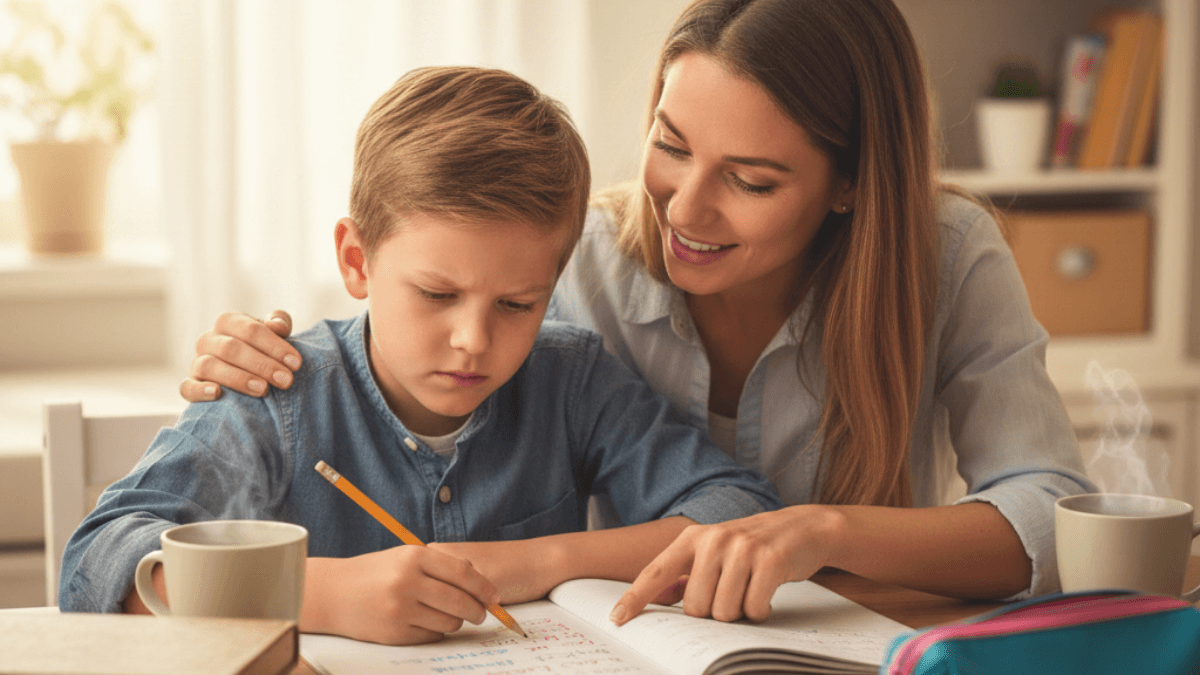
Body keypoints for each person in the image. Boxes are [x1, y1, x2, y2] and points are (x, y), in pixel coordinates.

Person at [179, 0, 1094, 626]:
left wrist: (826, 529)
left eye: (751, 180)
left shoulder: (946, 252)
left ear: (851, 183)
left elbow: (1055, 515)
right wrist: (267, 357)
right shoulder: (577, 260)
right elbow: (422, 294)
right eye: (671, 144)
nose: (685, 210)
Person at [58, 65, 784, 645]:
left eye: (516, 303)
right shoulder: (278, 393)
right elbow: (95, 562)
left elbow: (735, 510)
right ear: (356, 260)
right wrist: (323, 594)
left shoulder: (571, 378)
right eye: (437, 294)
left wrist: (545, 561)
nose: (474, 339)